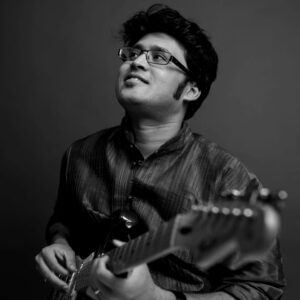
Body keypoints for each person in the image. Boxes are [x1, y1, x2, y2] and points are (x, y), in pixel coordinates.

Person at [35, 4, 285, 300]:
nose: (137, 62)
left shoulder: (228, 177)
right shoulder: (80, 153)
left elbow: (261, 290)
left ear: (191, 89)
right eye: (132, 53)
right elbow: (64, 221)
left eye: (158, 57)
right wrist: (60, 242)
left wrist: (154, 297)